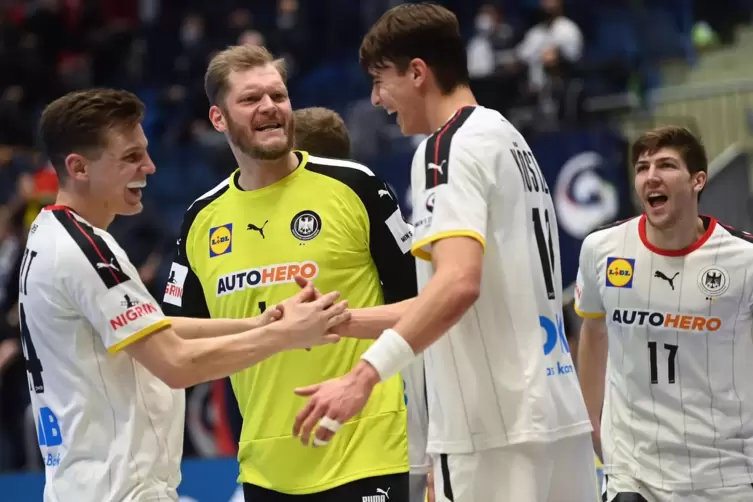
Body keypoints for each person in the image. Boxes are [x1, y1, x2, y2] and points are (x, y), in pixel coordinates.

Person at [291, 4, 597, 502]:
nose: (375, 99)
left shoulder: (444, 148)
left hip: (493, 428)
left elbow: (457, 285)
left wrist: (363, 375)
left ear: (417, 73)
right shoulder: (508, 137)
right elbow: (451, 296)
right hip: (554, 414)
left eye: (379, 80)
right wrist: (338, 322)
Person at [22, 88, 349, 502]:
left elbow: (153, 328)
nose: (150, 167)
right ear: (78, 167)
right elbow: (175, 365)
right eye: (131, 157)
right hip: (121, 490)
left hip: (86, 485)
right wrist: (286, 336)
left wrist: (255, 323)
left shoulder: (49, 237)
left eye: (146, 152)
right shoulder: (85, 250)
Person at [161, 45, 417, 501]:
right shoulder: (202, 218)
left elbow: (423, 305)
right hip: (266, 467)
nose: (269, 108)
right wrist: (261, 329)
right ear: (218, 119)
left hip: (367, 453)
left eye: (278, 96)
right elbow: (176, 334)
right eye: (250, 99)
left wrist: (345, 330)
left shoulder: (356, 185)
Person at [575, 125, 753, 502]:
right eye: (642, 167)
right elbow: (594, 329)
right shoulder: (601, 248)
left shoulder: (744, 260)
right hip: (634, 471)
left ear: (698, 180)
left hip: (724, 473)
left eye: (667, 165)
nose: (651, 176)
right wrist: (589, 418)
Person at [293, 105, 433, 502]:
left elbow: (420, 303)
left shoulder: (362, 198)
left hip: (384, 428)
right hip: (388, 423)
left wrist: (338, 321)